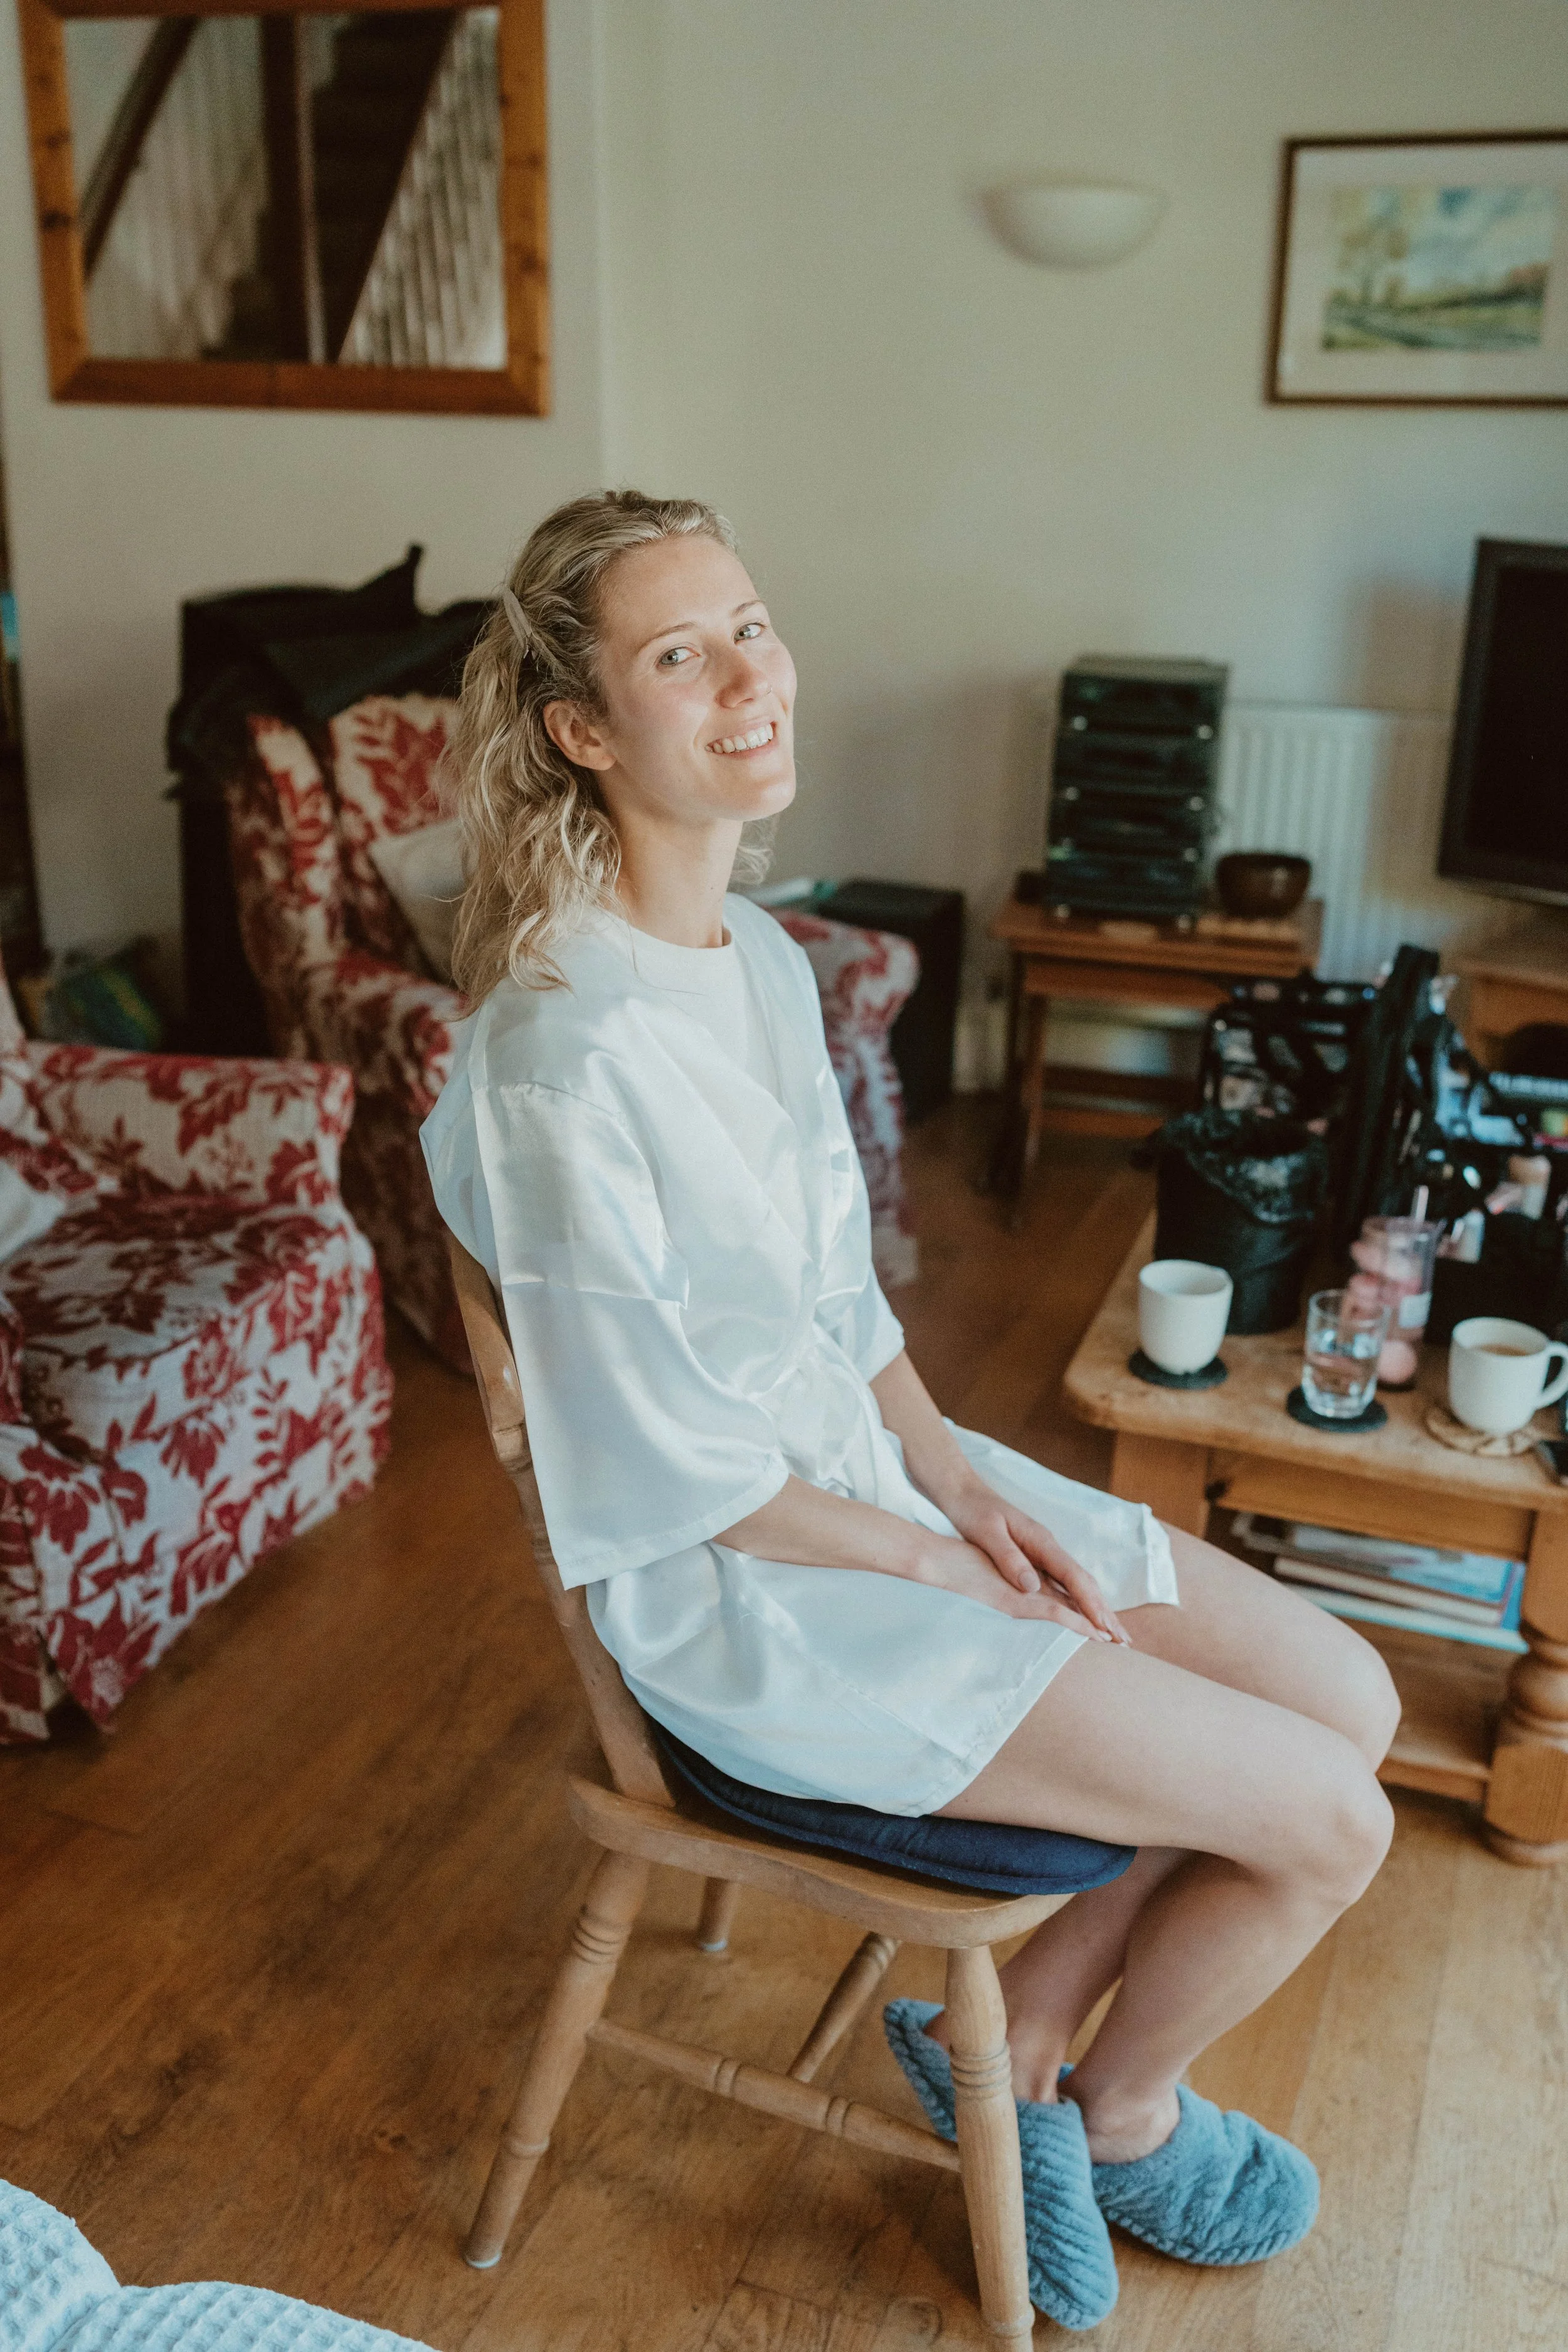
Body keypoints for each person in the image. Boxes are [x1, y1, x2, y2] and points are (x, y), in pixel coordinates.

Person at [421, 490, 1399, 2332]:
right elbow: (672, 1471)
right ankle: (1116, 2108)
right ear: (579, 726)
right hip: (742, 1591)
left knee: (1345, 1698)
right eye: (675, 652)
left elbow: (838, 1303)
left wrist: (967, 1486)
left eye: (751, 622)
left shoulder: (768, 961)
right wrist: (945, 1568)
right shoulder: (557, 1053)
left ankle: (1012, 2052)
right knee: (1332, 1820)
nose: (746, 676)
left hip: (872, 1490)